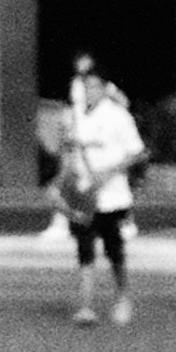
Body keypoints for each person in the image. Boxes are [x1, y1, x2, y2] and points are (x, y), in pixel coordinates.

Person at [53, 52, 144, 328]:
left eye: (94, 86)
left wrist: (110, 172)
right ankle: (86, 305)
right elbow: (70, 152)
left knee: (114, 249)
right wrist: (60, 181)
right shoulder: (77, 117)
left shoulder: (118, 116)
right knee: (84, 247)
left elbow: (137, 152)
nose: (89, 92)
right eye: (86, 87)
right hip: (83, 192)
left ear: (105, 88)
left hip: (111, 196)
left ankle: (123, 295)